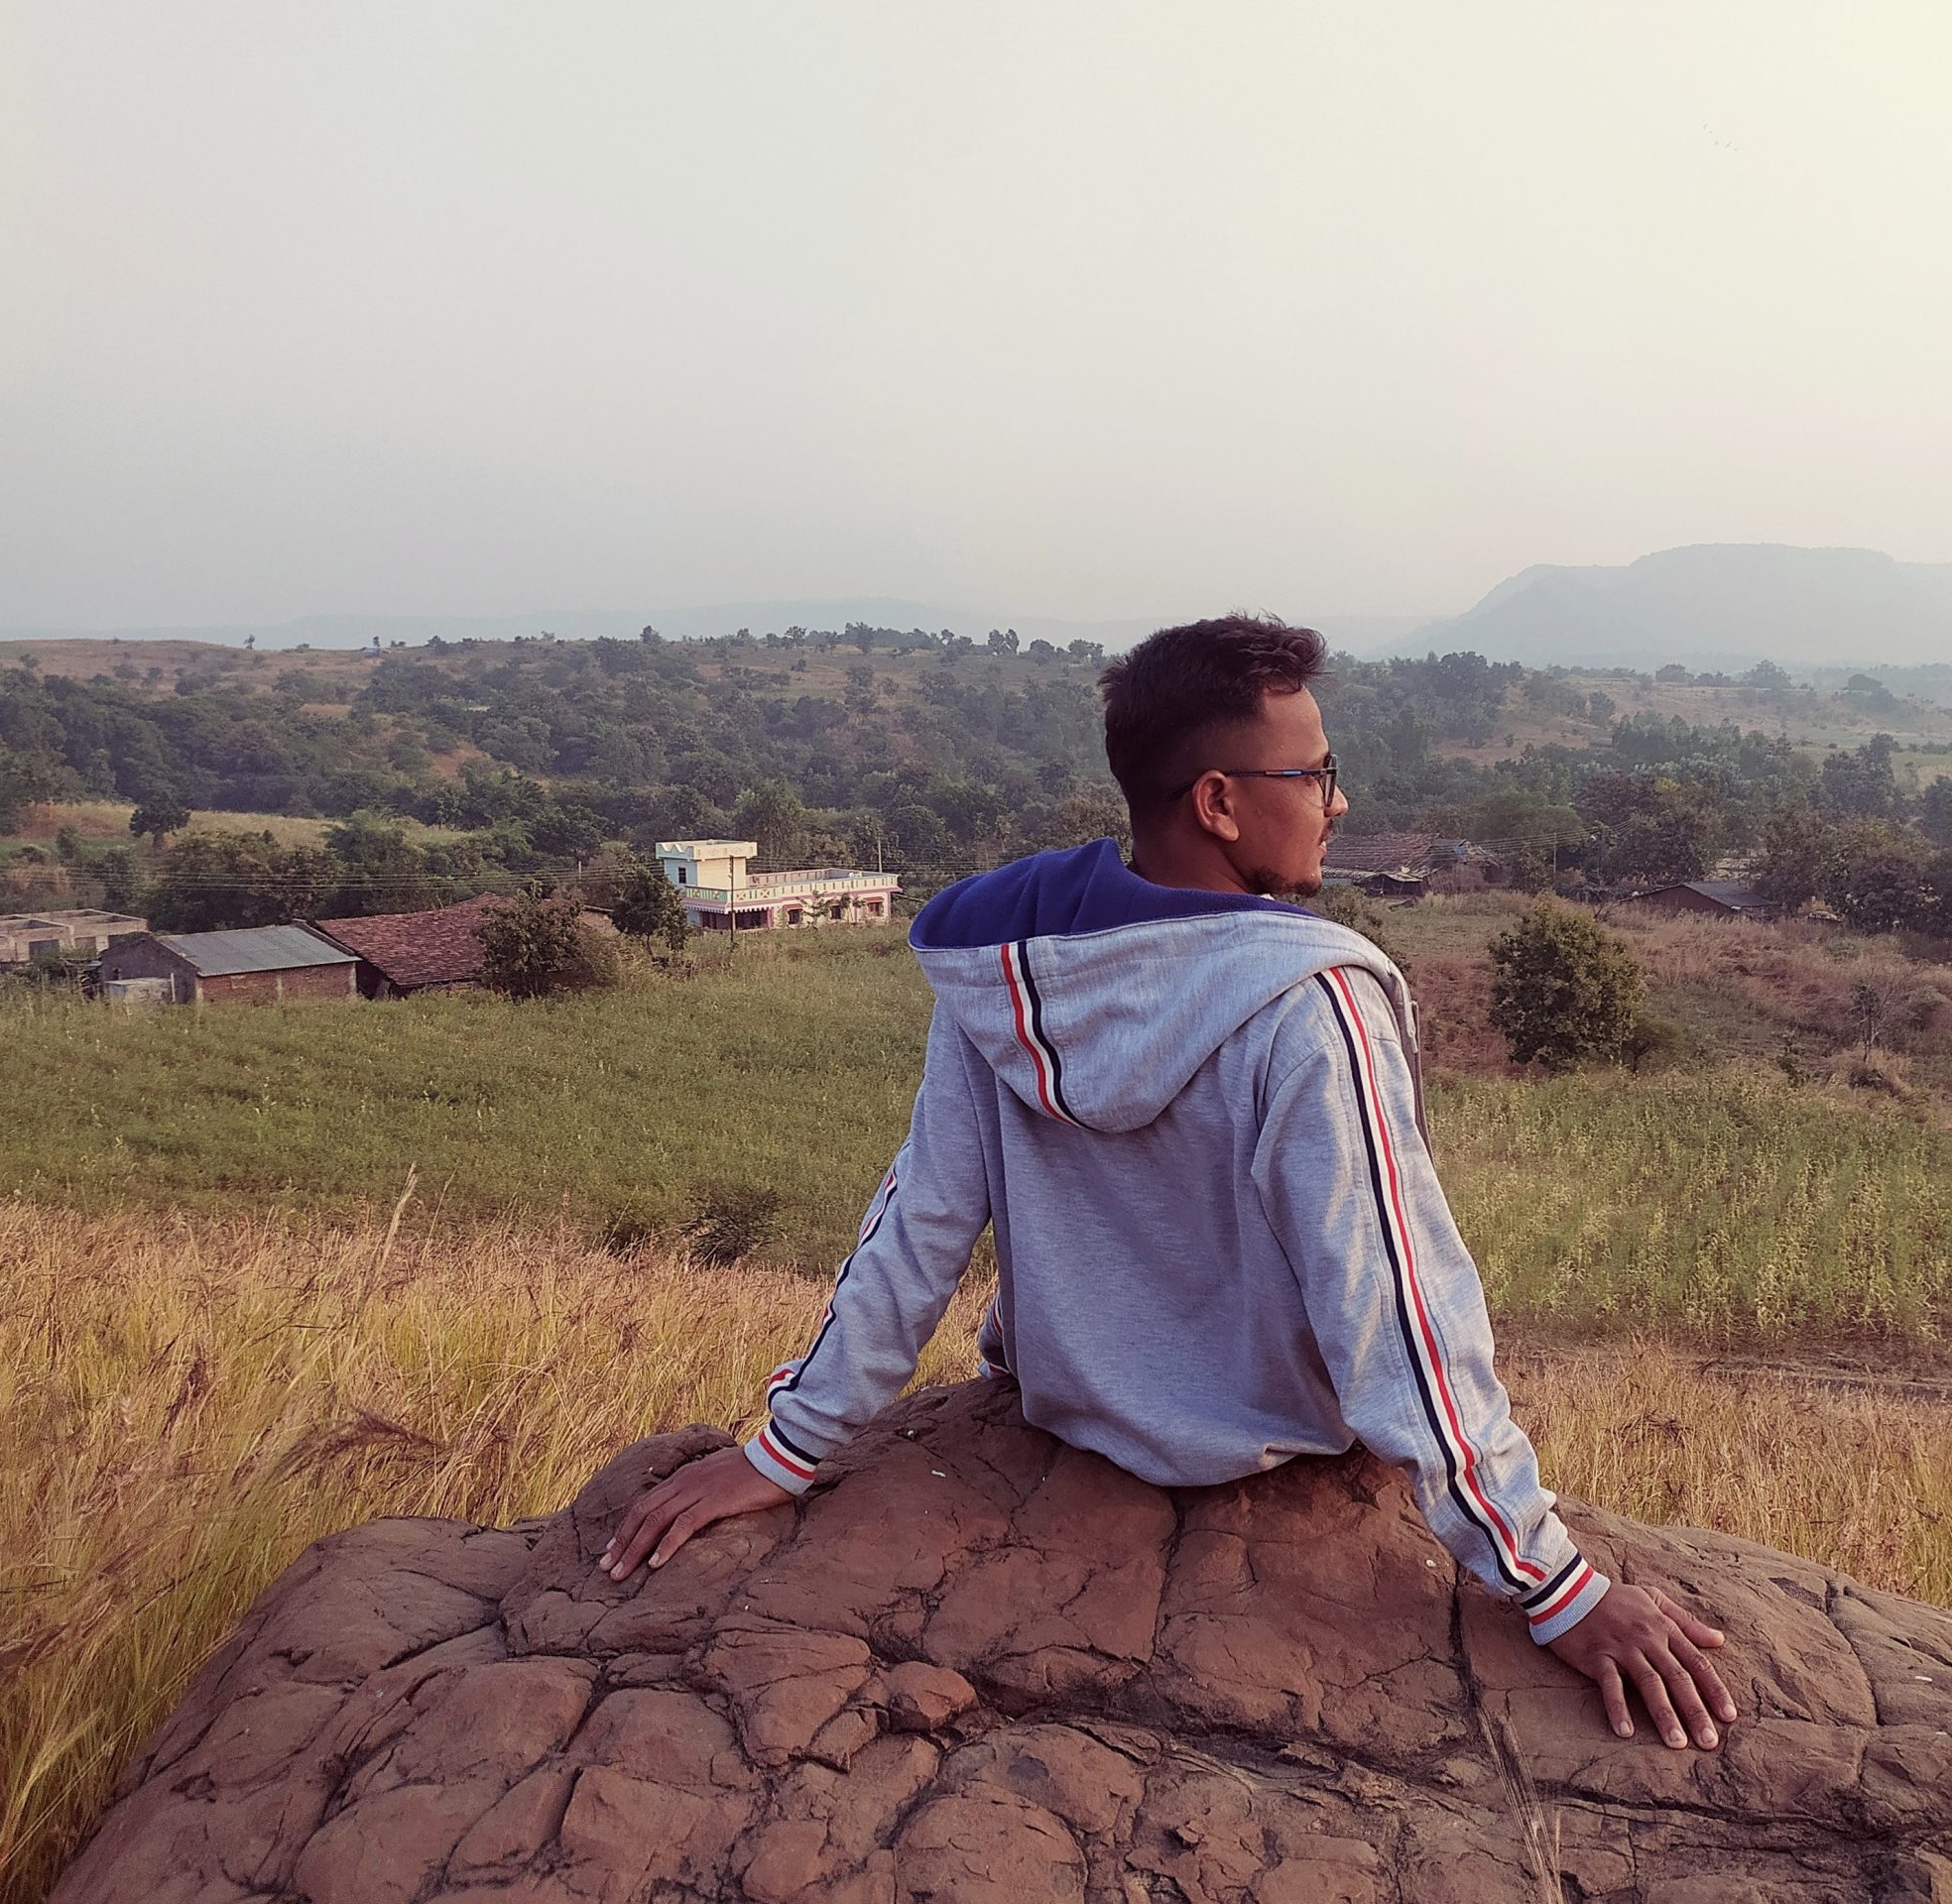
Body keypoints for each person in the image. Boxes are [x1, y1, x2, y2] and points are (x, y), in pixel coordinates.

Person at [602, 614, 1736, 1752]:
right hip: (1267, 1443)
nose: (1337, 804)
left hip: (1067, 1415)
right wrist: (1553, 1585)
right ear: (1218, 802)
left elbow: (918, 1224)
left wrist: (790, 1447)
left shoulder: (1002, 967)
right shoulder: (1313, 1006)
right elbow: (1395, 1301)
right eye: (1316, 774)